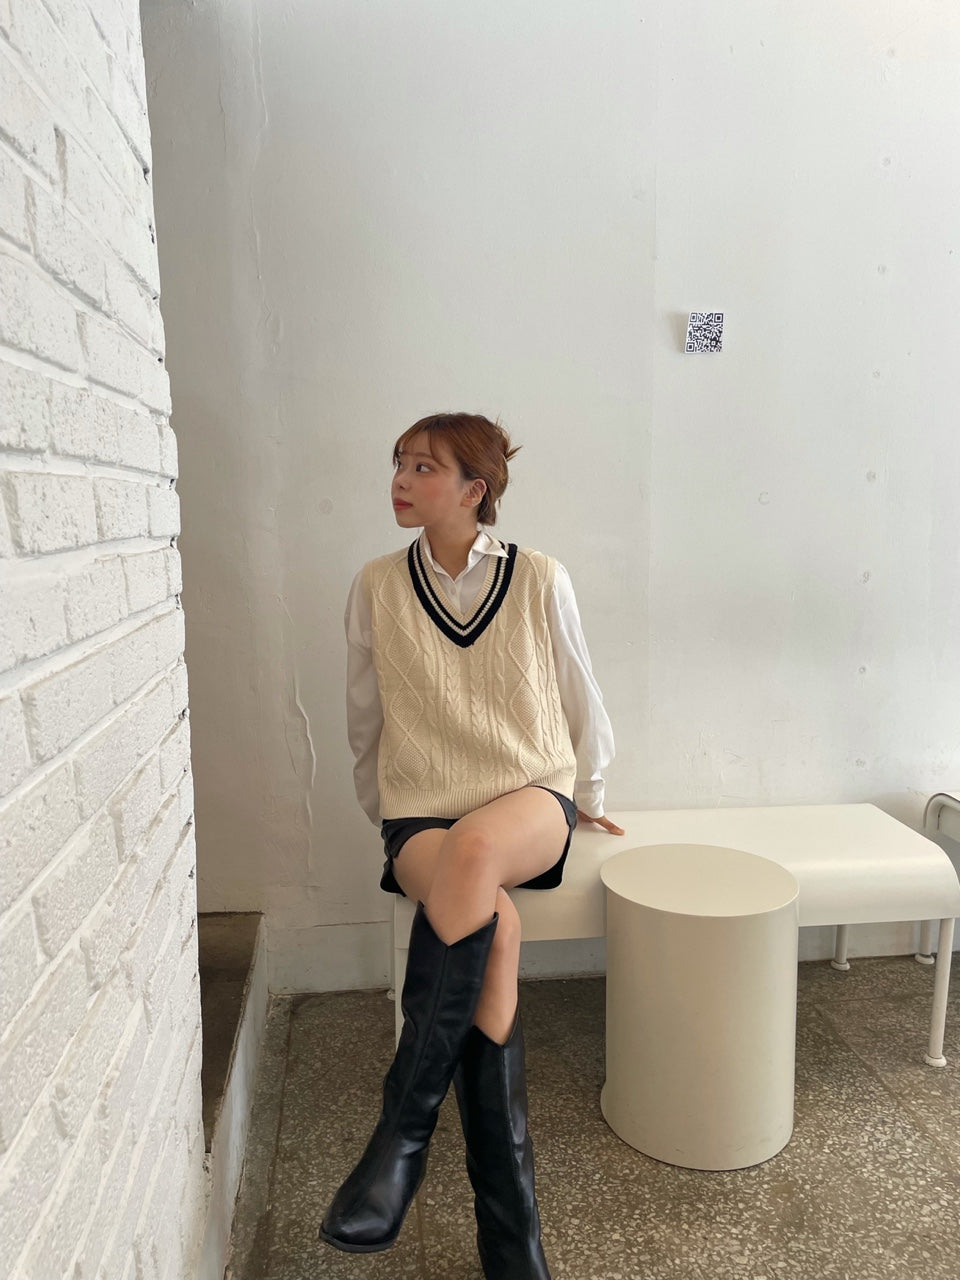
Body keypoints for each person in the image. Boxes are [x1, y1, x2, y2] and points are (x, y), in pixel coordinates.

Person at [319, 412, 622, 1278]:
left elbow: (579, 689)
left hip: (529, 793)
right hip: (420, 811)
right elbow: (364, 714)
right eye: (399, 463)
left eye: (424, 466)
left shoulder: (540, 576)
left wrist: (590, 797)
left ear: (473, 489)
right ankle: (512, 1237)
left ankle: (400, 1135)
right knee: (498, 928)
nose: (400, 479)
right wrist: (388, 816)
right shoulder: (376, 584)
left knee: (479, 847)